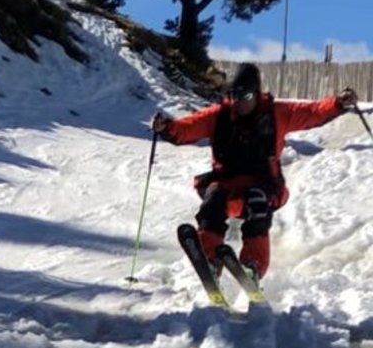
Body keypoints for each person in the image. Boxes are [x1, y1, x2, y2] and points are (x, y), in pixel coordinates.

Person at [151, 62, 357, 280]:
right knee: (213, 199)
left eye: (245, 97)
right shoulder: (220, 115)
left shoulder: (277, 113)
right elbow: (187, 128)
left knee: (257, 202)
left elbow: (312, 112)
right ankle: (210, 259)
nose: (239, 103)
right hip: (228, 183)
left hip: (265, 185)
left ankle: (252, 266)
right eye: (234, 96)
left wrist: (338, 104)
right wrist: (167, 127)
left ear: (256, 94)